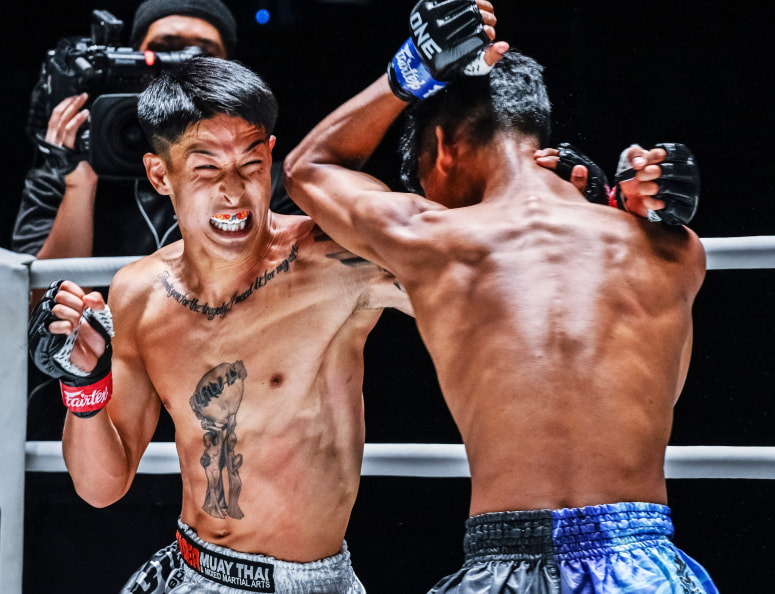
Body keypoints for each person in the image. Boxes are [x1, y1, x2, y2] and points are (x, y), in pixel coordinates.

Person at [282, 0, 716, 591]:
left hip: (506, 563)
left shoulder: (434, 239)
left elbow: (306, 168)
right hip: (646, 567)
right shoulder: (676, 251)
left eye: (422, 181)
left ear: (443, 148)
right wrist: (620, 207)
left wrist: (409, 72)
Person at [26, 54, 418, 593]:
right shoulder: (138, 293)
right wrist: (82, 385)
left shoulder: (335, 260)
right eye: (206, 169)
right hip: (191, 570)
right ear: (160, 174)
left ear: (272, 157)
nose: (233, 191)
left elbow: (471, 274)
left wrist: (408, 78)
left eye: (250, 165)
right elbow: (101, 487)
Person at [12, 0, 300, 262]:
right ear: (131, 61)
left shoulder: (269, 181)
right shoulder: (63, 176)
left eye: (202, 56)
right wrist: (79, 185)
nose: (183, 69)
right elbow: (38, 296)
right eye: (164, 50)